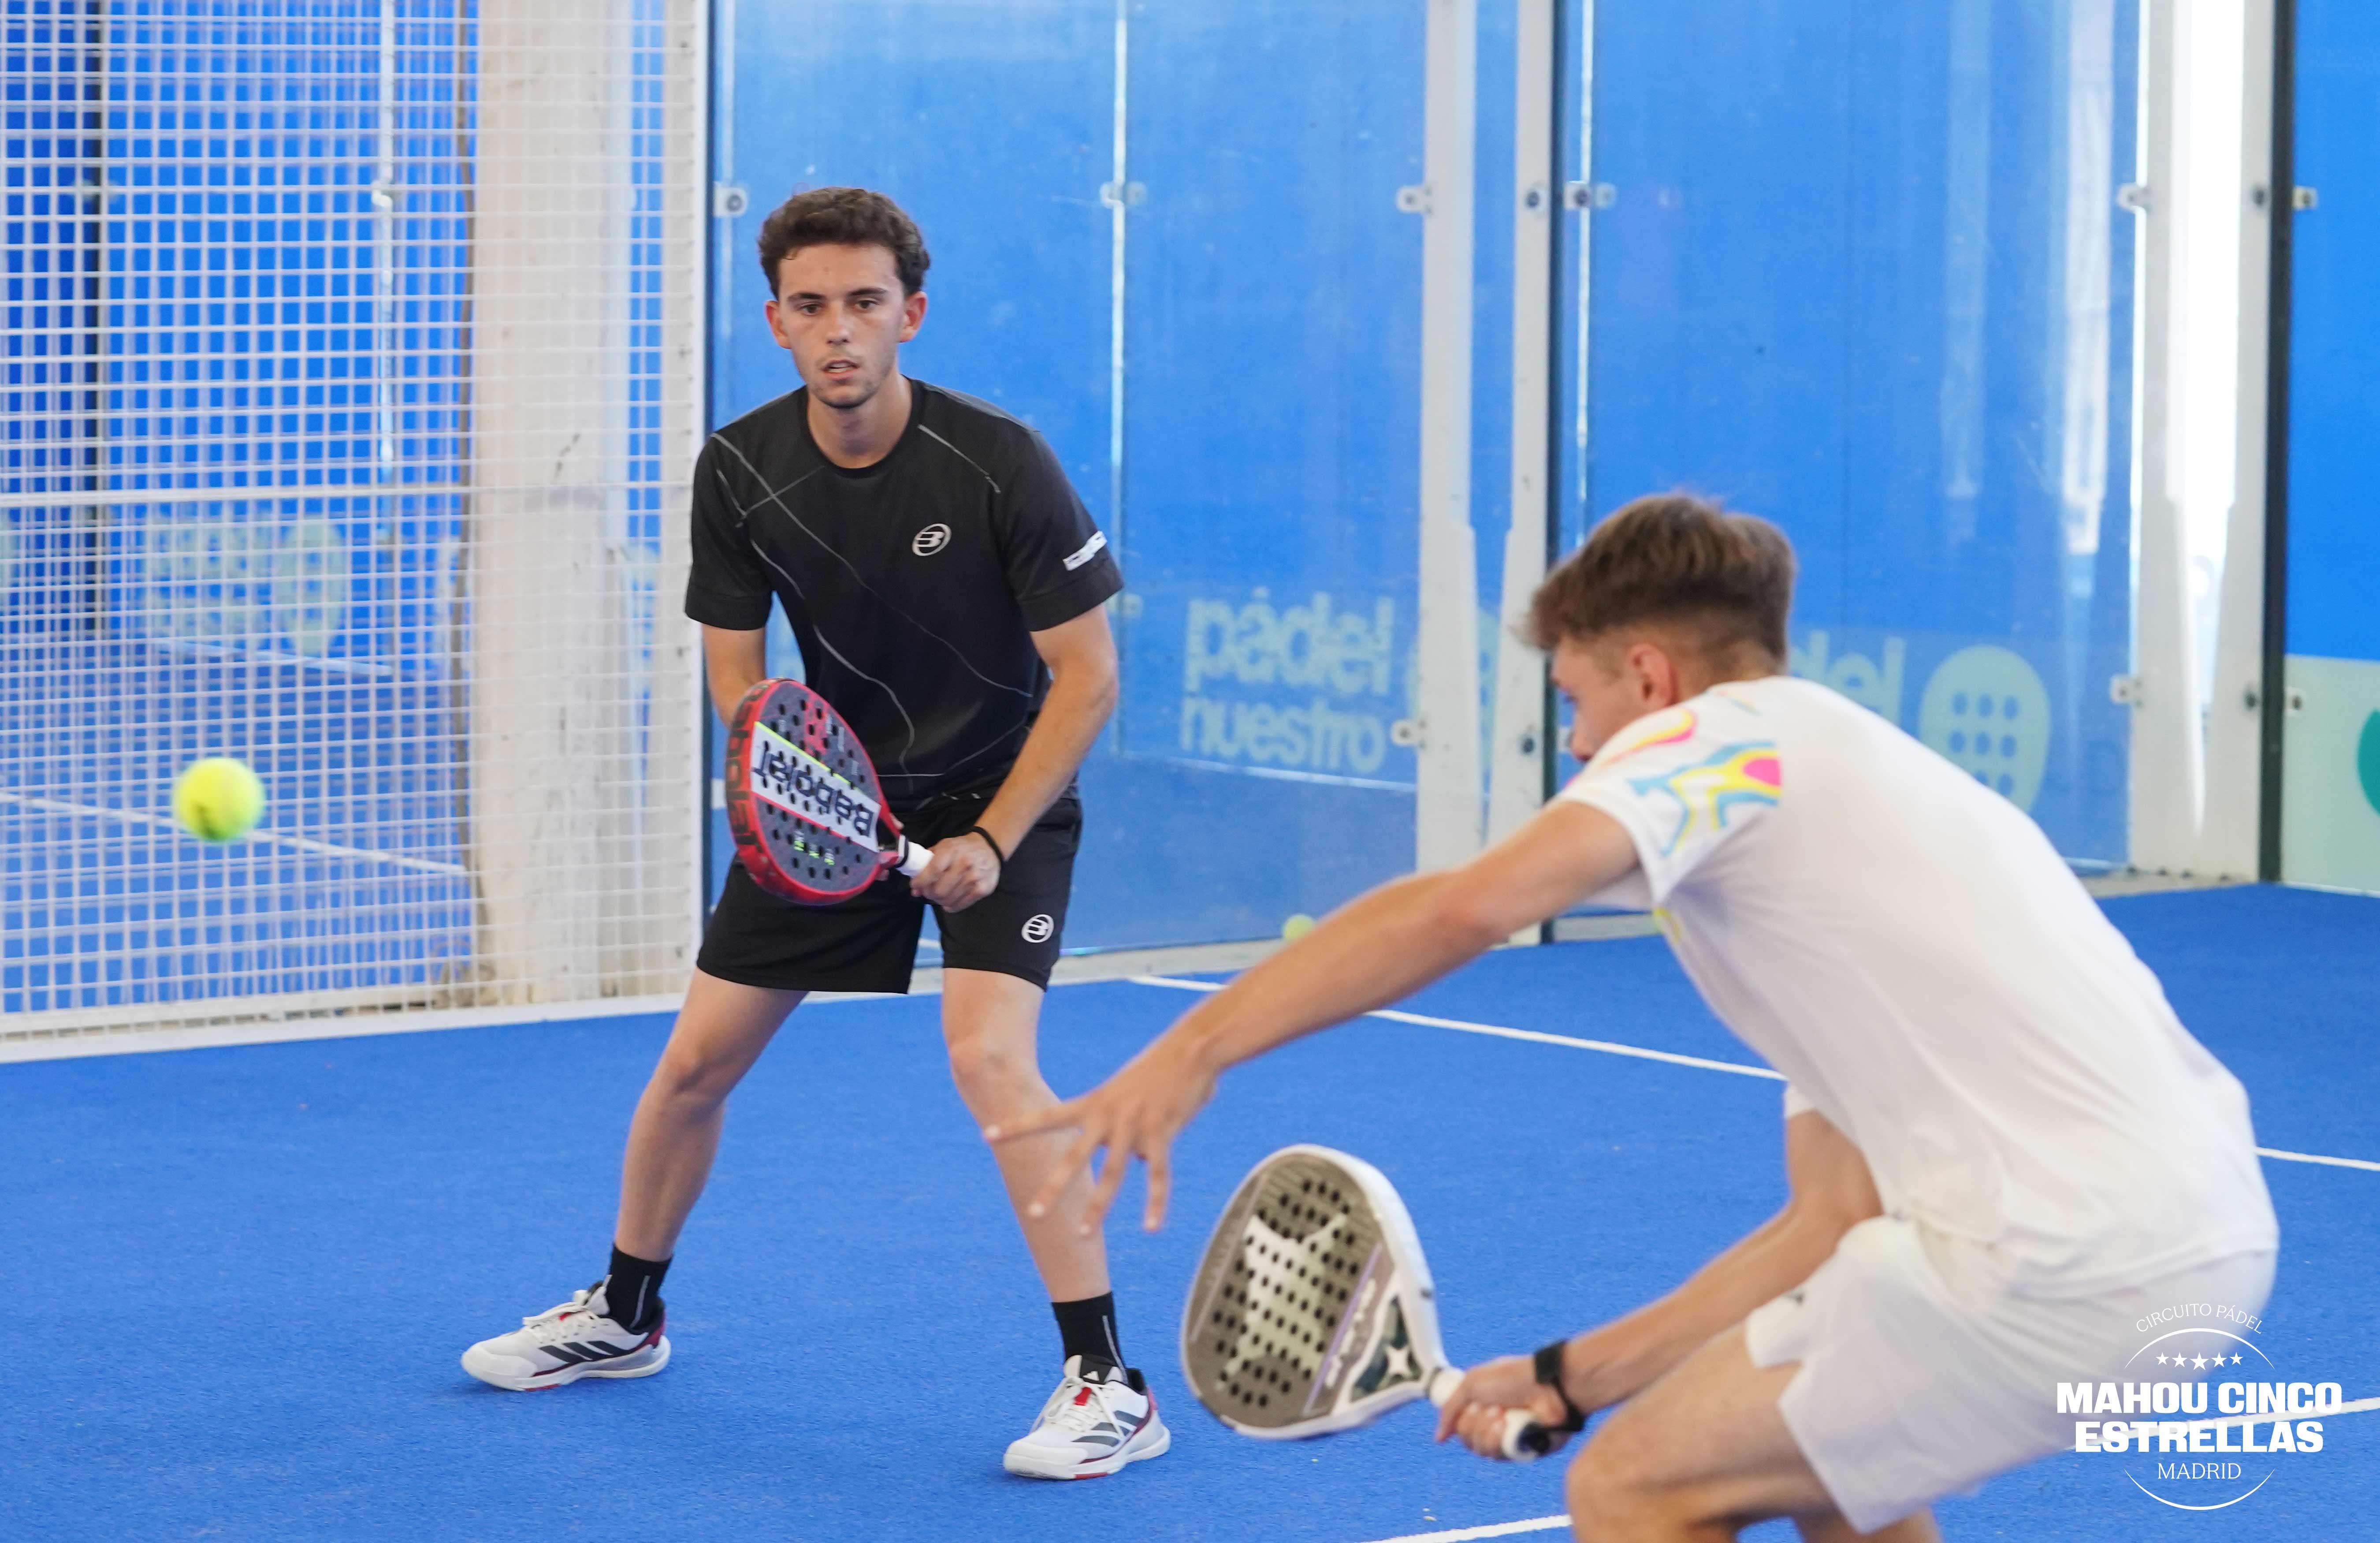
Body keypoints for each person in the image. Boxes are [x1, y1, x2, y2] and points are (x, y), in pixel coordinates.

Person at [990, 494, 2277, 1536]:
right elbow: (1827, 1229)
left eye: (1576, 703)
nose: (1575, 742)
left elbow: (1466, 907)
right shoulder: (1844, 832)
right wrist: (1565, 1376)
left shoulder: (1723, 744)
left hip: (2060, 1260)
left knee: (1633, 1490)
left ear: (1651, 676)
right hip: (2206, 1239)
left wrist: (1195, 1047)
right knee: (1827, 1474)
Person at [462, 186, 1170, 1481]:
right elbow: (740, 680)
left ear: (912, 313)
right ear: (777, 321)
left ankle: (1108, 1379)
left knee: (990, 1061)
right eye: (811, 306)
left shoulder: (999, 461)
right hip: (836, 803)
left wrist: (991, 840)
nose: (839, 329)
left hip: (1003, 793)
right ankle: (626, 1313)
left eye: (863, 302)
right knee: (694, 1066)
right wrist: (809, 797)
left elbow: (1090, 678)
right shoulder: (739, 468)